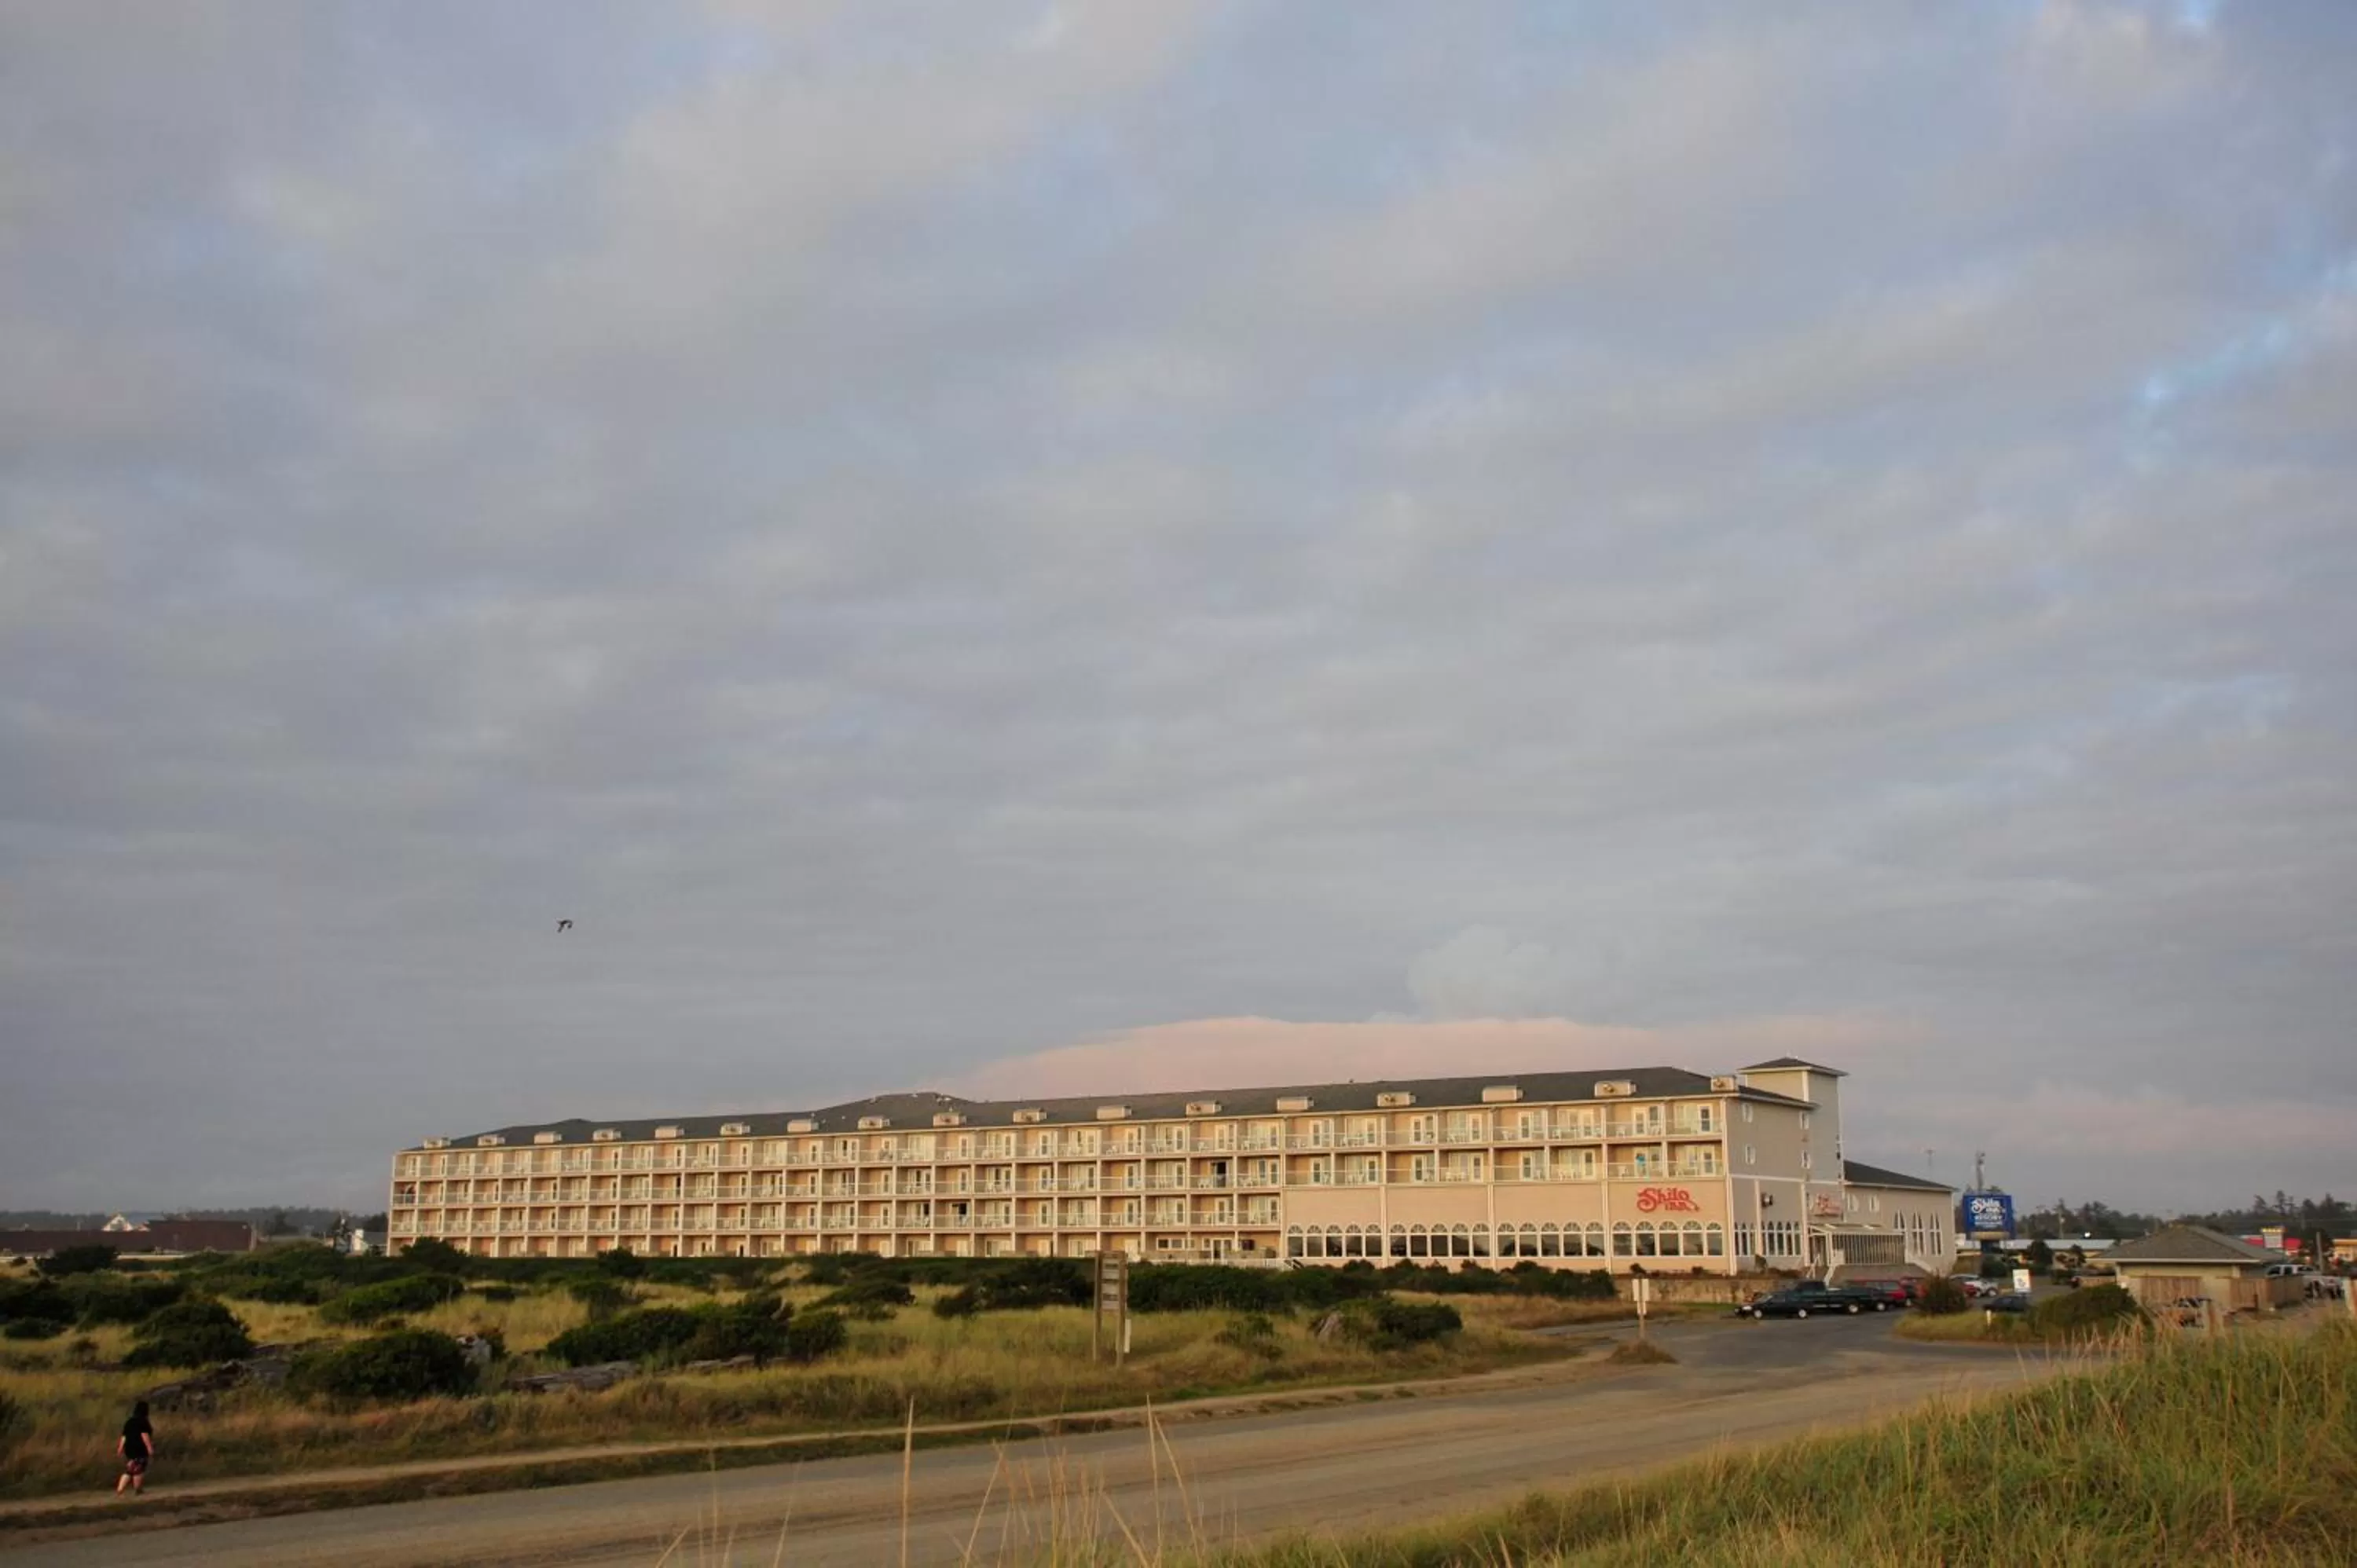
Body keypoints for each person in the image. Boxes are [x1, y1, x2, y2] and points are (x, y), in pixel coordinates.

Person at [115, 1400, 155, 1497]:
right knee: (136, 1469)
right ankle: (132, 1489)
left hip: (129, 1448)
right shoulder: (143, 1422)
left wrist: (120, 1448)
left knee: (134, 1469)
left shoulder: (129, 1422)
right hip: (140, 1448)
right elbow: (144, 1435)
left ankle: (131, 1489)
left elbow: (124, 1436)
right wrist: (149, 1448)